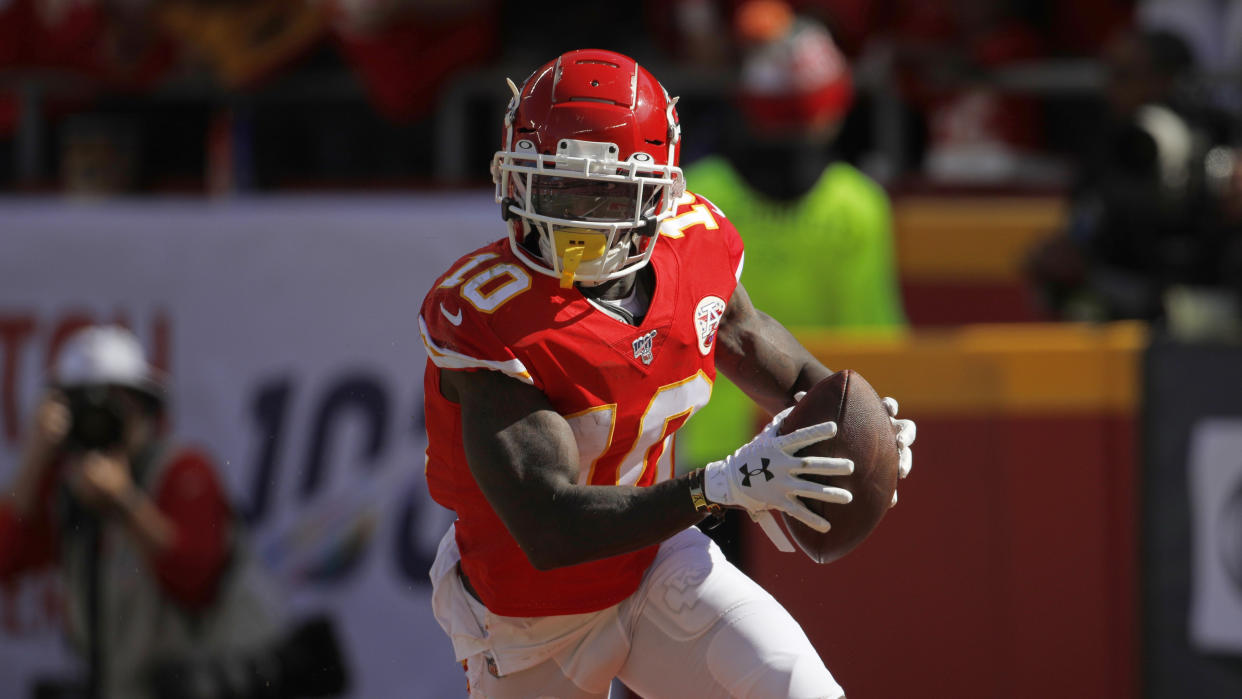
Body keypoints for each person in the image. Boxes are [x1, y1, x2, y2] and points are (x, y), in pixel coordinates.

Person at [419, 49, 916, 698]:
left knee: (800, 690)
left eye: (605, 192)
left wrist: (852, 417)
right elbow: (551, 525)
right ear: (514, 179)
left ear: (659, 193)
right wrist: (720, 485)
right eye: (558, 186)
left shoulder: (694, 240)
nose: (578, 219)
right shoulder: (489, 312)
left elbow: (746, 336)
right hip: (527, 615)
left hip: (654, 562)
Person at [680, 2, 906, 475]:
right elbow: (873, 336)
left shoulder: (698, 193)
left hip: (707, 457)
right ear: (835, 107)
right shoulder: (858, 203)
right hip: (823, 446)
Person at [0, 325, 281, 699]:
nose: (101, 419)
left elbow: (195, 579)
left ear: (146, 408)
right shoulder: (66, 491)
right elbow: (6, 558)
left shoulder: (183, 471)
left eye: (117, 404)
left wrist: (126, 504)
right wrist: (36, 454)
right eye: (84, 404)